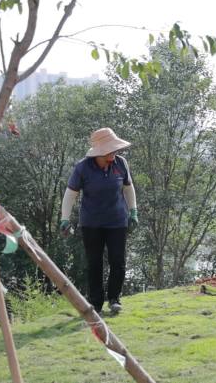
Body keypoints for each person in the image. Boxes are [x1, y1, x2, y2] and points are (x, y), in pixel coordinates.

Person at [60, 128, 138, 314]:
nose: (114, 153)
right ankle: (95, 303)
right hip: (91, 223)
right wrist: (65, 218)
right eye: (111, 150)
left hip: (117, 221)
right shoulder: (83, 167)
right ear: (99, 151)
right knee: (94, 263)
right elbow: (71, 194)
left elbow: (128, 188)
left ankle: (114, 299)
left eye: (115, 149)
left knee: (118, 261)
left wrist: (133, 211)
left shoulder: (121, 164)